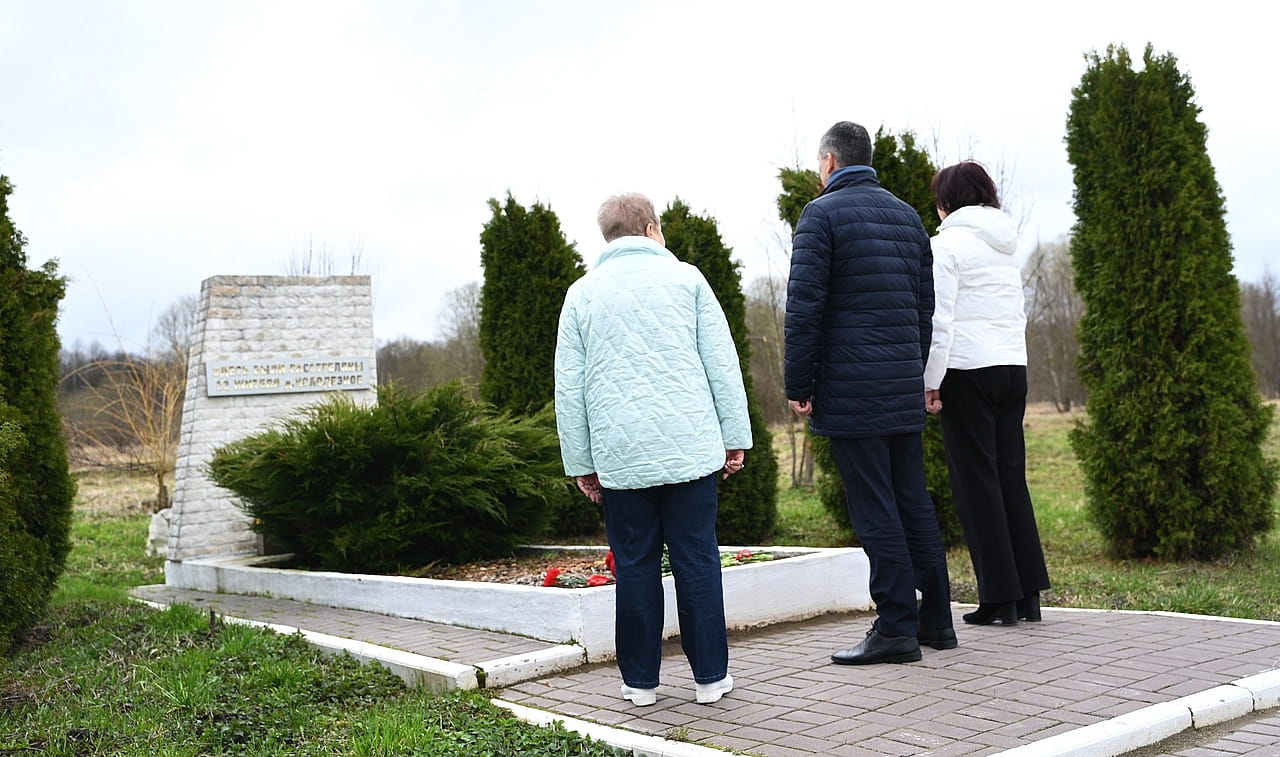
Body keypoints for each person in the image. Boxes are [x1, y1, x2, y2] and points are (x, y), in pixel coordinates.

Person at [554, 193, 752, 706]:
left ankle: (640, 683)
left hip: (620, 456)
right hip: (690, 448)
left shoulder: (581, 294)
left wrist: (581, 463)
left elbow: (569, 388)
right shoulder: (688, 279)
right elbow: (721, 364)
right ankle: (710, 679)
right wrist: (734, 437)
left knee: (635, 566)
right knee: (697, 559)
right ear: (650, 228)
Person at [785, 121, 955, 665]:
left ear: (829, 161)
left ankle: (896, 628)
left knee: (875, 507)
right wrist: (911, 371)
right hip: (899, 385)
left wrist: (799, 382)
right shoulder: (908, 217)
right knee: (912, 500)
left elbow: (805, 308)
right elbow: (925, 309)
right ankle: (936, 620)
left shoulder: (821, 215)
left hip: (851, 390)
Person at [924, 161, 1050, 626]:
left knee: (976, 484)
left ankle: (998, 598)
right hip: (1012, 368)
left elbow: (940, 320)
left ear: (947, 202)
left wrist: (930, 380)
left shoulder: (946, 246)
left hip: (967, 371)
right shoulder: (1004, 246)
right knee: (1010, 477)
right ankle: (1028, 594)